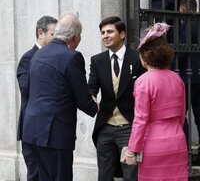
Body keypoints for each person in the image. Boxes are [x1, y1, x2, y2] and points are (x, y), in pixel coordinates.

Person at [21, 13, 99, 181]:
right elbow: (82, 98)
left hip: (32, 130)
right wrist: (95, 106)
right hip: (55, 133)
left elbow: (28, 89)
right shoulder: (72, 57)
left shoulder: (37, 55)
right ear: (76, 36)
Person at [123, 22, 188, 180]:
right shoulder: (177, 79)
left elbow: (141, 119)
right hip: (177, 140)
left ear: (145, 57)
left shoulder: (143, 81)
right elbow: (181, 114)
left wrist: (132, 148)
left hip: (153, 143)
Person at [88, 16, 146, 181]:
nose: (105, 35)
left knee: (131, 175)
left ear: (122, 34)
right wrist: (91, 96)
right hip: (105, 127)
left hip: (129, 128)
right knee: (104, 176)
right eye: (103, 32)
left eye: (110, 31)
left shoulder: (137, 59)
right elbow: (92, 86)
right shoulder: (97, 60)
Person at [16, 15, 57, 181]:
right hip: (32, 130)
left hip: (52, 129)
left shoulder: (57, 56)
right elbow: (26, 89)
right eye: (54, 34)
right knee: (35, 175)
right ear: (41, 33)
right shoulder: (28, 58)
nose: (58, 39)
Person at [178, 0, 200, 165]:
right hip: (198, 77)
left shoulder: (187, 25)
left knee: (179, 116)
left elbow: (182, 51)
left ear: (183, 10)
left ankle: (184, 152)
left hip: (186, 77)